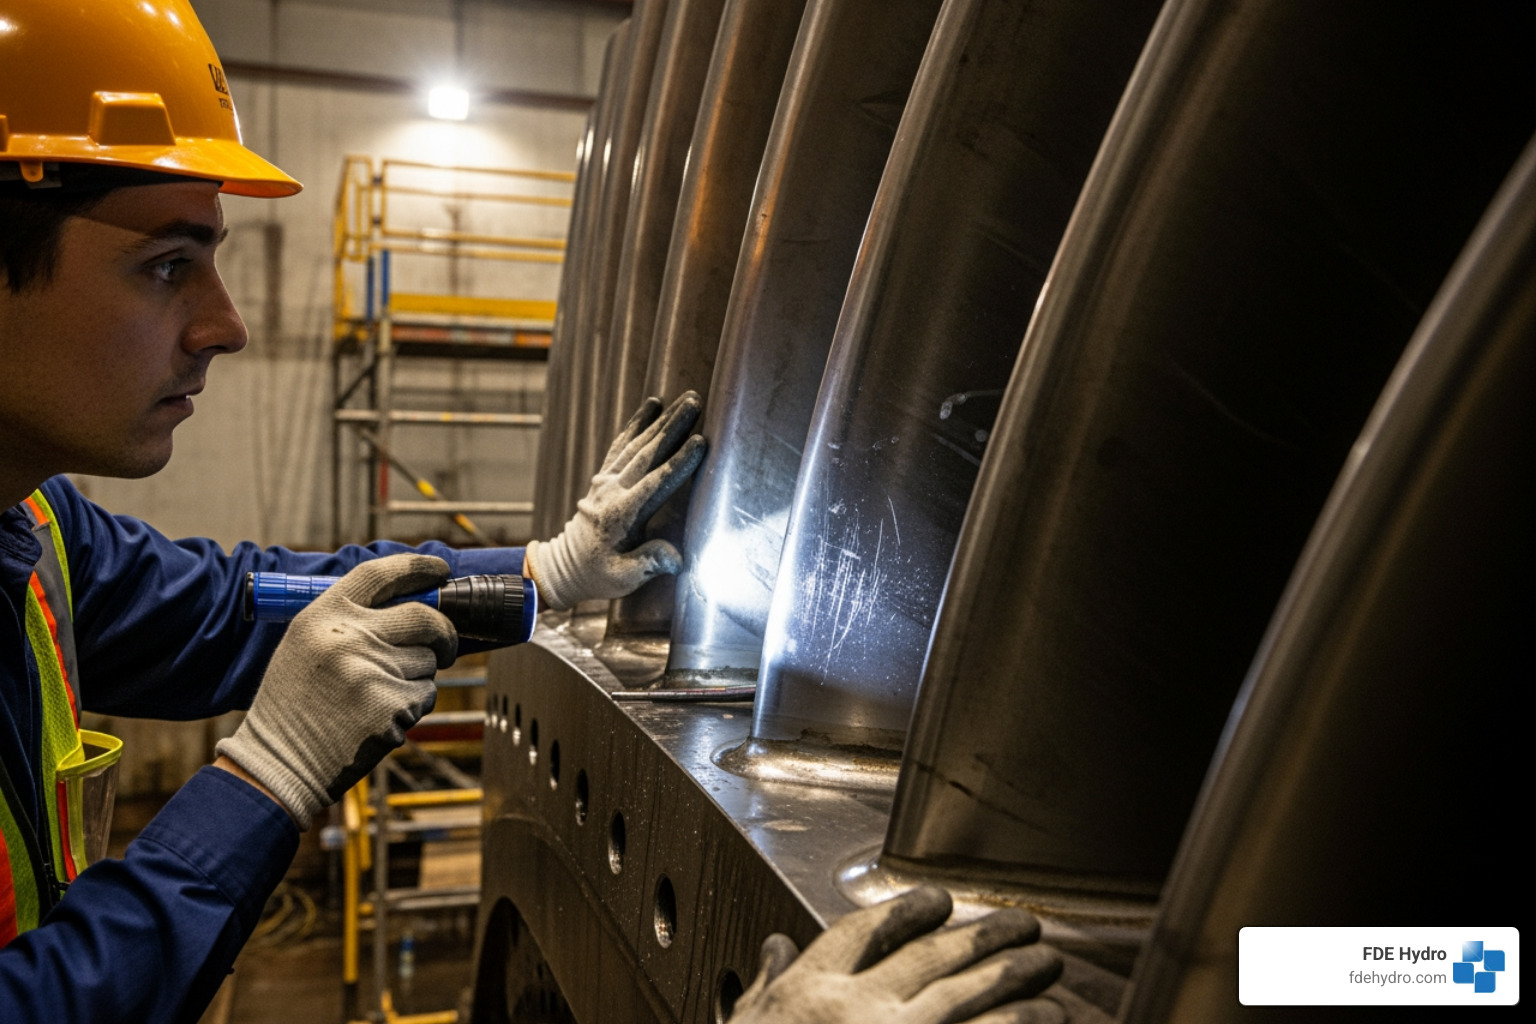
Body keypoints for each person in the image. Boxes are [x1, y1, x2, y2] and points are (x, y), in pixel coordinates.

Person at [1, 2, 1063, 1021]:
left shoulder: (35, 526)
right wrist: (263, 780)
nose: (225, 326)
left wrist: (544, 573)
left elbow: (232, 603)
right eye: (166, 266)